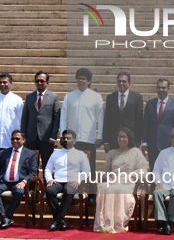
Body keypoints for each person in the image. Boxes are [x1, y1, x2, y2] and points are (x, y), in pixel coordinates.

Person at [60, 67, 104, 200]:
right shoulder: (69, 96)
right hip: (73, 139)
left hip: (89, 138)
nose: (81, 81)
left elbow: (100, 118)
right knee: (73, 165)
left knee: (90, 166)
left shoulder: (96, 97)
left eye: (84, 79)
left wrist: (99, 136)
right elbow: (64, 116)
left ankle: (90, 193)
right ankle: (72, 192)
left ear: (89, 81)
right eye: (79, 78)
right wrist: (63, 134)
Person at [94, 127, 148, 233]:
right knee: (106, 189)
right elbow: (105, 173)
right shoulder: (111, 153)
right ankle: (107, 222)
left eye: (124, 137)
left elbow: (144, 170)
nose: (121, 139)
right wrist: (108, 177)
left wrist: (132, 175)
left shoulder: (136, 152)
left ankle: (118, 222)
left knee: (119, 190)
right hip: (114, 181)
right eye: (119, 136)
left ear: (129, 139)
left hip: (129, 182)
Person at [0, 130, 38, 229]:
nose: (15, 140)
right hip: (4, 182)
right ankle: (3, 216)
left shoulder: (30, 154)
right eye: (13, 139)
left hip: (18, 182)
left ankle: (7, 216)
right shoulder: (3, 152)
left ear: (23, 140)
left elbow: (33, 172)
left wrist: (24, 182)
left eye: (17, 138)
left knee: (19, 192)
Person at [44, 129, 90, 231]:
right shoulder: (55, 154)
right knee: (49, 191)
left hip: (72, 181)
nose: (65, 140)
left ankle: (57, 221)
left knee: (68, 190)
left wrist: (78, 180)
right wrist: (50, 179)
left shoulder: (81, 154)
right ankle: (60, 220)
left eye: (68, 138)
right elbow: (48, 169)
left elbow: (86, 171)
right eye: (63, 138)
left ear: (74, 141)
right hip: (58, 181)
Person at [21, 70, 60, 171]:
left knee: (48, 164)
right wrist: (23, 136)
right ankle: (32, 186)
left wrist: (53, 136)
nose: (39, 83)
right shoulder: (29, 97)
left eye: (42, 81)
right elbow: (24, 118)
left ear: (47, 82)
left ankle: (47, 185)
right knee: (31, 165)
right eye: (37, 81)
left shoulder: (54, 97)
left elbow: (56, 118)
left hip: (46, 138)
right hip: (31, 137)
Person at [142, 78, 174, 172]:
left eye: (163, 88)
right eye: (159, 88)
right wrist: (144, 141)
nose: (161, 90)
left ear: (168, 89)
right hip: (153, 144)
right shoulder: (150, 103)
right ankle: (154, 187)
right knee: (154, 170)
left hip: (169, 143)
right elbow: (146, 123)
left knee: (167, 170)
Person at [102, 72, 143, 153]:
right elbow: (107, 120)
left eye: (124, 81)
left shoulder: (137, 98)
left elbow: (139, 120)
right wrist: (106, 141)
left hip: (130, 139)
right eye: (119, 81)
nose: (121, 83)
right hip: (114, 139)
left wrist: (138, 140)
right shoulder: (111, 98)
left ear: (129, 83)